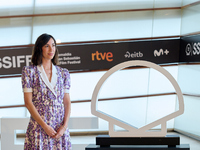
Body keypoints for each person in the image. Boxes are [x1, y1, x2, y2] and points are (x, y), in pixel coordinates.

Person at [21, 33, 72, 150]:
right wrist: (45, 126)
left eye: (53, 45)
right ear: (40, 48)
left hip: (59, 129)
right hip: (39, 128)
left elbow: (67, 102)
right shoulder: (29, 72)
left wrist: (64, 127)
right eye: (47, 46)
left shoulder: (63, 73)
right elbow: (28, 103)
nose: (51, 49)